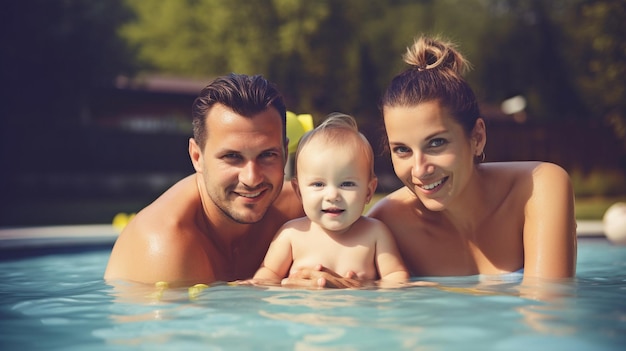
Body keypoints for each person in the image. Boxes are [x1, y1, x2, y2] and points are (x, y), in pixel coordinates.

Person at [285, 35, 577, 287]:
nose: (420, 169)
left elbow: (549, 312)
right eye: (402, 150)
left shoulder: (539, 188)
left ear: (477, 137)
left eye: (436, 143)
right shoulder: (386, 223)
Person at [104, 73, 305, 286]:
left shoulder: (302, 211)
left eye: (267, 155)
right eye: (232, 157)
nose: (252, 178)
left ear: (284, 152)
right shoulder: (166, 245)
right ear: (197, 158)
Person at [251, 113, 409, 287]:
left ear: (368, 192)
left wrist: (367, 287)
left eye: (347, 184)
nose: (333, 195)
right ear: (299, 191)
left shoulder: (375, 234)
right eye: (318, 184)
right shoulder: (291, 235)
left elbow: (396, 278)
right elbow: (267, 276)